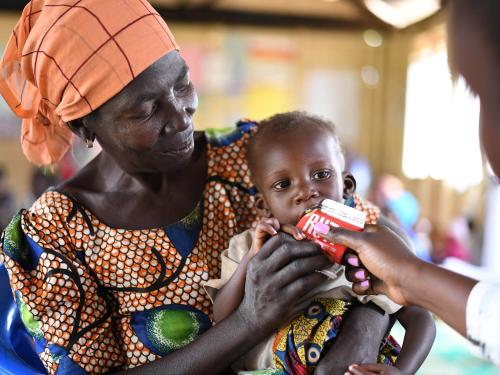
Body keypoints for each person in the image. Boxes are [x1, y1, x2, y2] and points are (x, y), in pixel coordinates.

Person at [0, 1, 397, 374]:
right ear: (83, 126)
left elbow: (383, 245)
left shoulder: (255, 154)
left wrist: (366, 325)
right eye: (146, 109)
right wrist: (248, 321)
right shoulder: (55, 233)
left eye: (183, 84)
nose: (181, 117)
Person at [318, 0, 500, 372]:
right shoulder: (257, 242)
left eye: (485, 96)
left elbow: (421, 320)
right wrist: (407, 275)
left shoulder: (367, 222)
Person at [204, 112, 435, 375]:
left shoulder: (368, 249)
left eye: (321, 174)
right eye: (283, 184)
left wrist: (404, 371)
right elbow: (223, 318)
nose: (305, 191)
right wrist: (251, 260)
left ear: (347, 186)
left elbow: (421, 318)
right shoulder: (248, 245)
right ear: (264, 207)